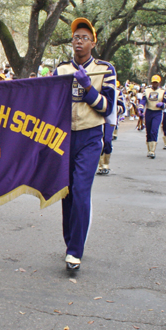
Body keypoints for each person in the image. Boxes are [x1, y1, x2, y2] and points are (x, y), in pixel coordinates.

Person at [53, 18, 116, 271]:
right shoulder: (61, 70)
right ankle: (70, 242)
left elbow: (107, 107)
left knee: (80, 190)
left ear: (93, 43)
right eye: (76, 37)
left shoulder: (105, 70)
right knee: (66, 193)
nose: (79, 41)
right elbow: (51, 105)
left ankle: (75, 251)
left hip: (90, 136)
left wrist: (88, 87)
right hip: (64, 137)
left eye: (84, 38)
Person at [141, 75, 166, 158]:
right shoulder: (146, 91)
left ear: (159, 83)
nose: (155, 84)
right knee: (148, 131)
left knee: (154, 130)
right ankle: (149, 149)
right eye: (153, 82)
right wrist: (140, 108)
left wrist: (162, 104)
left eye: (156, 83)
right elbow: (143, 100)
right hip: (149, 112)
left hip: (157, 112)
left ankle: (152, 150)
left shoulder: (163, 92)